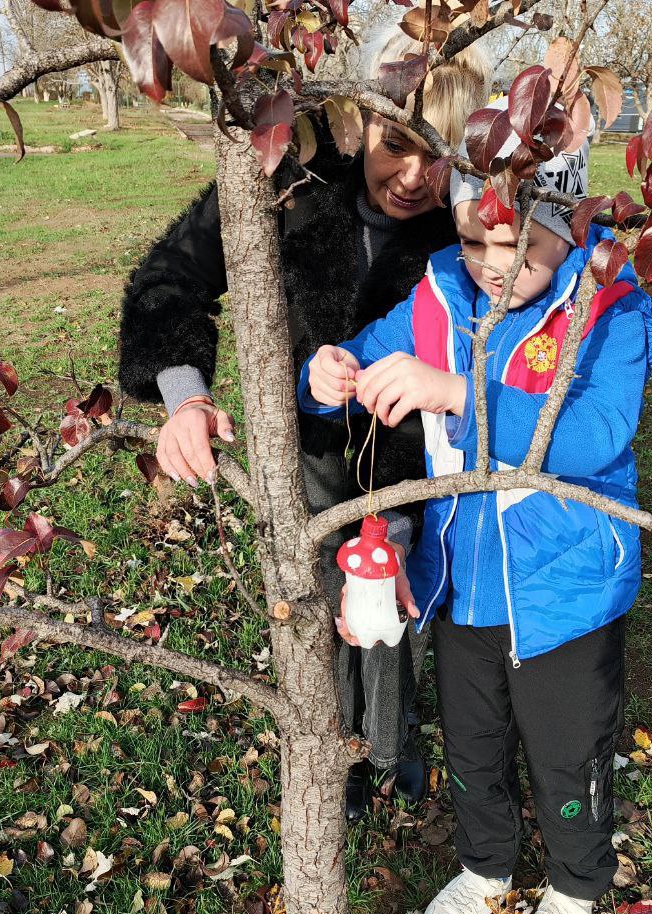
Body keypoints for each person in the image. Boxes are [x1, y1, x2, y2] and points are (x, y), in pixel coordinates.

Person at [297, 116, 652, 914]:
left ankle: (575, 883)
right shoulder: (440, 296)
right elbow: (368, 356)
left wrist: (458, 391)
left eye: (520, 252)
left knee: (567, 751)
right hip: (462, 578)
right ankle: (486, 863)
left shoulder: (608, 305)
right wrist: (330, 374)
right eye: (475, 243)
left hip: (564, 588)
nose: (495, 268)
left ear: (567, 231)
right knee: (474, 738)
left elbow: (595, 432)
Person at [117, 28, 491, 821]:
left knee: (401, 610)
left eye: (442, 154)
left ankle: (397, 742)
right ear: (365, 120)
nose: (416, 175)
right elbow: (168, 276)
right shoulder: (287, 184)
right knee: (320, 605)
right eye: (399, 143)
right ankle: (339, 745)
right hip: (306, 450)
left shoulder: (465, 237)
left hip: (417, 464)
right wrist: (185, 394)